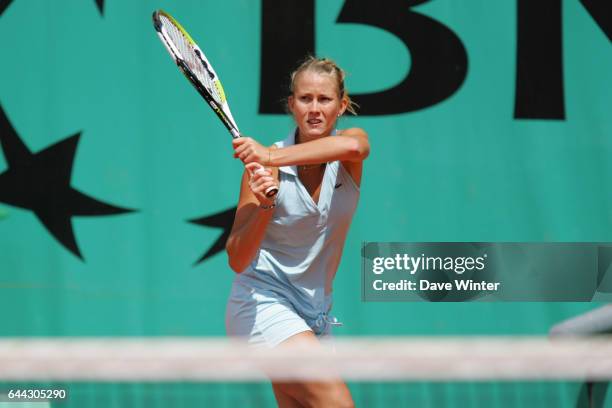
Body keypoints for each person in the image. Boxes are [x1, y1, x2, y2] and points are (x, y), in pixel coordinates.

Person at [225, 56, 369, 408]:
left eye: (325, 99)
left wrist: (271, 158)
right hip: (262, 305)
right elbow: (237, 258)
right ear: (292, 105)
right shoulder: (260, 169)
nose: (315, 109)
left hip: (316, 315)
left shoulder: (349, 144)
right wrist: (265, 204)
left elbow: (355, 148)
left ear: (342, 105)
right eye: (305, 99)